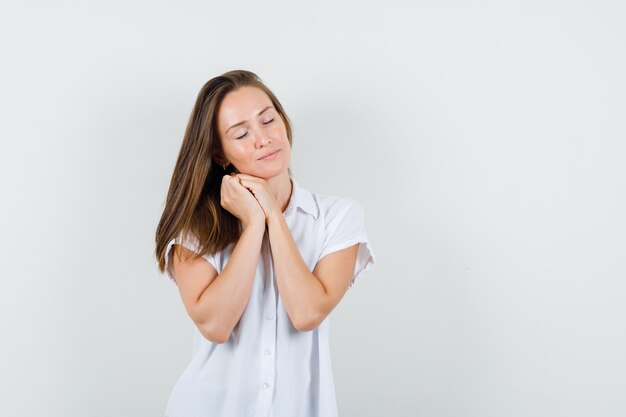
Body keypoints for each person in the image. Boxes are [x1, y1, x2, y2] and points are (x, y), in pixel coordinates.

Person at [154, 69, 376, 417]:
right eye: (241, 133)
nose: (263, 138)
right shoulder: (195, 228)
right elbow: (215, 325)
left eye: (268, 120)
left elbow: (306, 312)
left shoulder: (337, 217)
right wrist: (253, 223)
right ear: (219, 154)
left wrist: (273, 213)